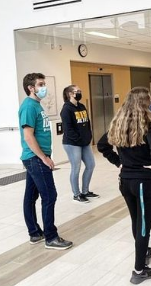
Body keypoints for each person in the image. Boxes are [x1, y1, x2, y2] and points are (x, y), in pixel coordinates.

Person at [97, 87, 151, 285]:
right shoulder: (148, 126)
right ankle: (139, 270)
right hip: (144, 181)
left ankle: (143, 251)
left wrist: (119, 162)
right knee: (143, 225)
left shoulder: (118, 123)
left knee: (137, 220)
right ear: (145, 103)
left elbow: (102, 145)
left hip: (125, 181)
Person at [18, 73, 73, 250]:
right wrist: (44, 157)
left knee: (31, 196)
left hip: (35, 158)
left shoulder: (36, 105)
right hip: (35, 159)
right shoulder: (28, 107)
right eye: (40, 84)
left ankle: (35, 233)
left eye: (44, 84)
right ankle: (51, 236)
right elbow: (28, 136)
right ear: (31, 88)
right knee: (50, 195)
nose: (44, 87)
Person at [60, 85, 98, 203]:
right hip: (72, 143)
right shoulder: (66, 109)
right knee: (76, 168)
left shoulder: (81, 106)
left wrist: (89, 136)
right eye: (77, 91)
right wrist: (79, 139)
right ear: (70, 94)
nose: (80, 93)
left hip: (84, 142)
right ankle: (76, 194)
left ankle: (85, 191)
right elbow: (68, 129)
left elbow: (87, 123)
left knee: (91, 165)